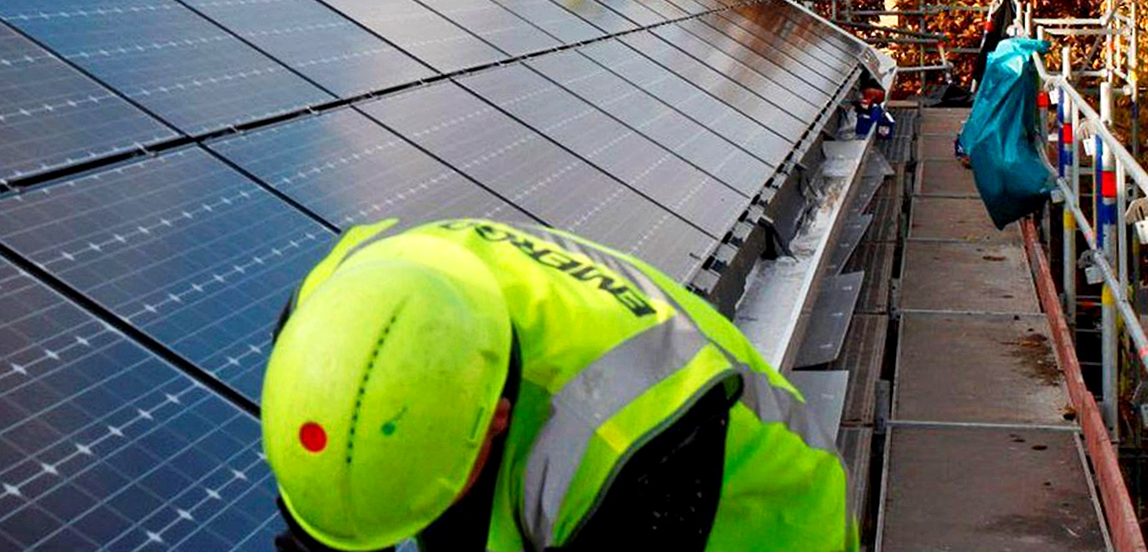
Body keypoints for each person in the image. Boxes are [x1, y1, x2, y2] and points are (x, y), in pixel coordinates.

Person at [263, 218, 855, 552]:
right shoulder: (340, 302)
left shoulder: (628, 446)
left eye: (429, 499)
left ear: (497, 417)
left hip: (767, 521)